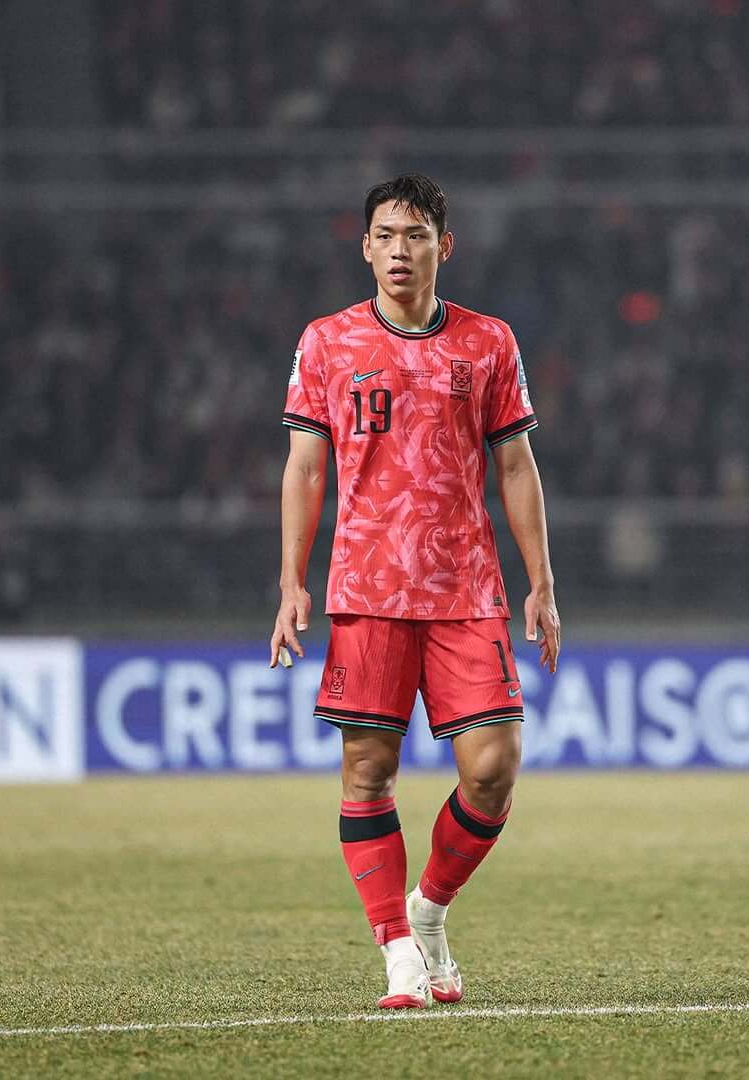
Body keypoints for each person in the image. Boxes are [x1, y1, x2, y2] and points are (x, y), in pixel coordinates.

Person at [270, 174, 560, 1010]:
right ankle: (397, 949)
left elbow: (515, 466)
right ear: (365, 247)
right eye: (387, 236)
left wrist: (541, 582)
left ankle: (428, 909)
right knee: (368, 768)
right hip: (368, 585)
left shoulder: (488, 342)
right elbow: (305, 468)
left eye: (417, 235)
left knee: (494, 767)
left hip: (466, 585)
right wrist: (290, 582)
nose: (400, 250)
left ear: (444, 246)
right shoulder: (327, 343)